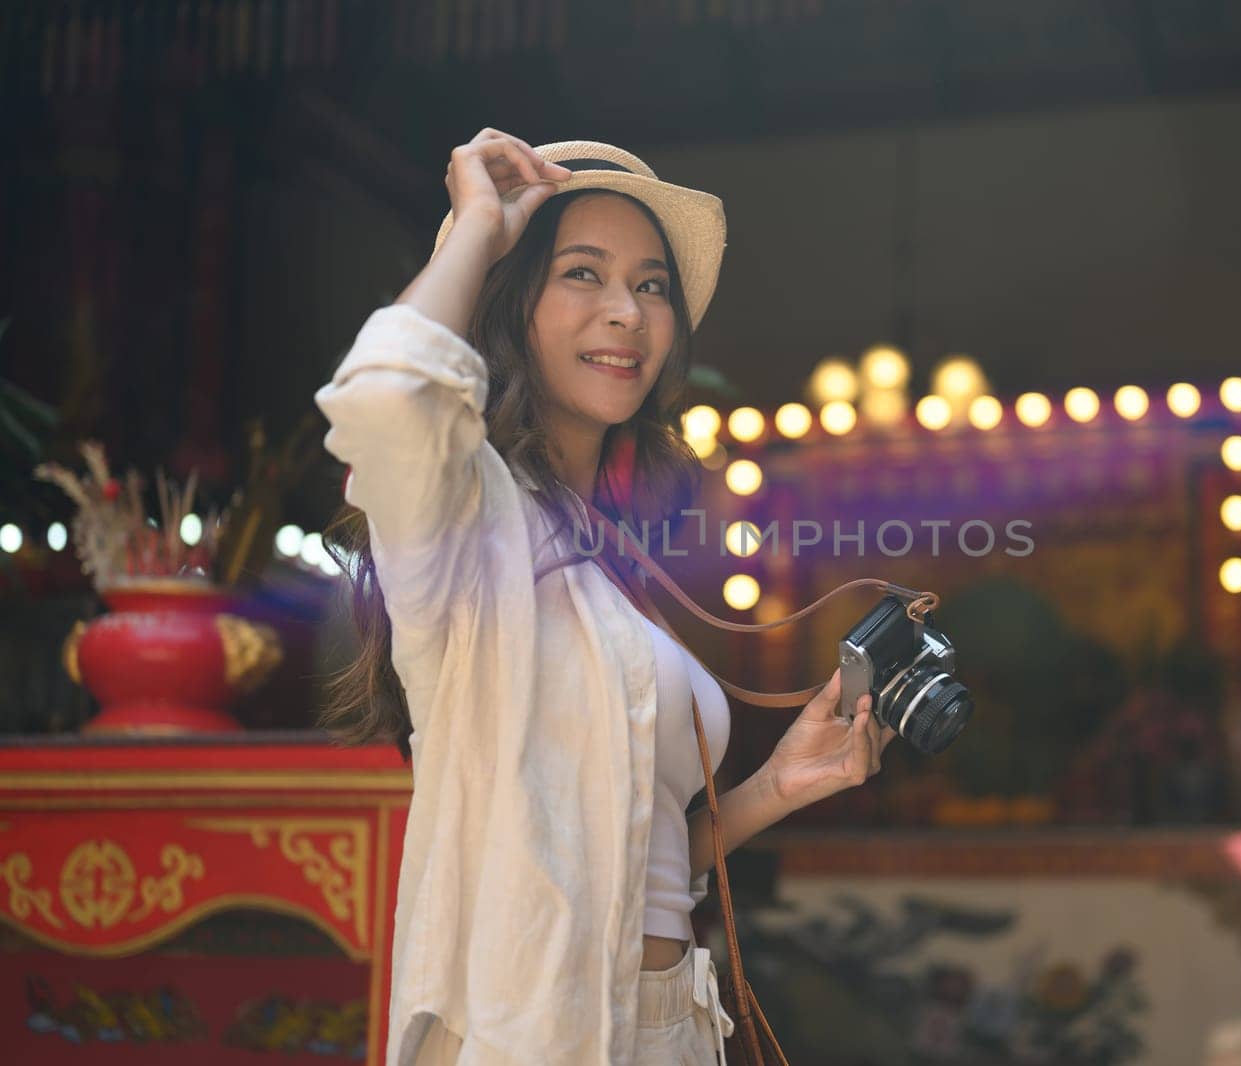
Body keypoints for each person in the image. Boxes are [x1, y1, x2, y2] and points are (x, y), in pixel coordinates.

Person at [313, 132, 897, 1066]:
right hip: (526, 1032)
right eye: (582, 274)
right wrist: (474, 229)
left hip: (662, 1029)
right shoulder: (465, 517)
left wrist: (781, 785)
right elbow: (389, 397)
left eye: (651, 285)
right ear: (514, 301)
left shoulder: (614, 559)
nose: (625, 310)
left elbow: (637, 856)